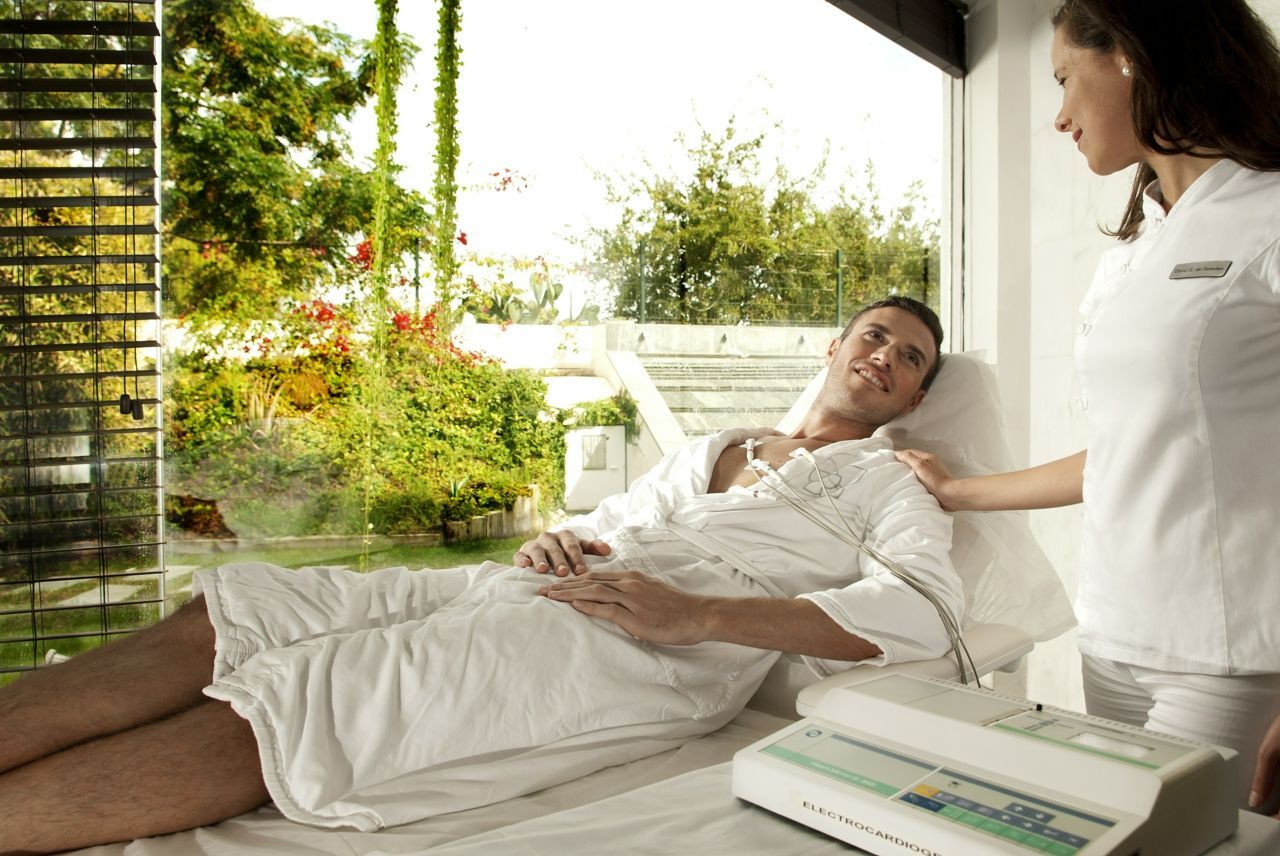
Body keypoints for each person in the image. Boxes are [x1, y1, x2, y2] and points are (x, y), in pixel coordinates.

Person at [0, 297, 964, 854]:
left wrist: (697, 616)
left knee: (322, 694)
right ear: (834, 348)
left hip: (650, 649)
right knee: (251, 607)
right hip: (542, 582)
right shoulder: (720, 444)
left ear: (916, 396)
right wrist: (556, 540)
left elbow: (920, 612)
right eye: (874, 336)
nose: (885, 356)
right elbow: (612, 524)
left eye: (910, 358)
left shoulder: (891, 484)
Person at [895, 0, 1280, 818]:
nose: (1061, 116)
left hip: (1232, 657)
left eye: (1066, 79)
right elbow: (1124, 452)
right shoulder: (1135, 253)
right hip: (1112, 643)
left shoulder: (1269, 213)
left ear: (1131, 55)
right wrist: (958, 492)